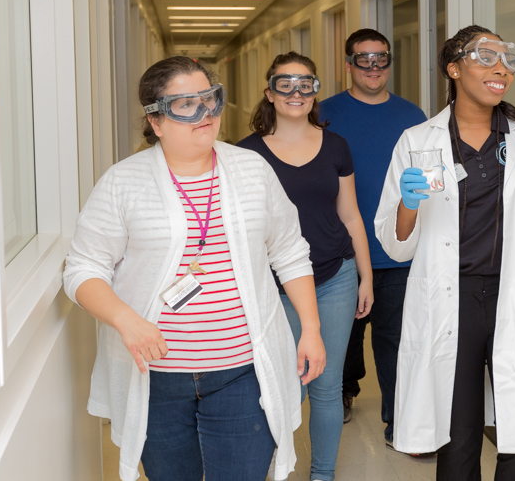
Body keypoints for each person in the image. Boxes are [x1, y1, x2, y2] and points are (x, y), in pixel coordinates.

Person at [63, 56, 326, 481]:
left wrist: (310, 329)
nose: (205, 114)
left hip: (242, 372)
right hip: (156, 379)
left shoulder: (252, 170)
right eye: (186, 105)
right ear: (156, 120)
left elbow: (290, 251)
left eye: (210, 99)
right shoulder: (122, 182)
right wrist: (126, 320)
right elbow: (81, 269)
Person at [374, 25, 515, 481]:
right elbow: (395, 243)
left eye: (507, 60)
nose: (500, 69)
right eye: (485, 58)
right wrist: (409, 204)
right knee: (459, 434)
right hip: (452, 301)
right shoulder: (419, 141)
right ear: (454, 68)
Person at [237, 52, 374, 481]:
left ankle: (322, 475)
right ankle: (277, 468)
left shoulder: (335, 145)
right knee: (284, 387)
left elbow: (350, 215)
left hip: (335, 276)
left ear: (315, 91)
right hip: (275, 285)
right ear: (270, 93)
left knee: (327, 386)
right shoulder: (246, 154)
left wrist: (366, 276)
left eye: (306, 84)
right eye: (285, 84)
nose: (296, 93)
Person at [319, 28, 426, 445]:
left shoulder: (412, 116)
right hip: (340, 249)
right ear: (348, 64)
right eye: (363, 59)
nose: (373, 67)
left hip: (398, 249)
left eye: (381, 58)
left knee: (395, 340)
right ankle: (345, 390)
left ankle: (398, 420)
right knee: (343, 335)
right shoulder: (324, 112)